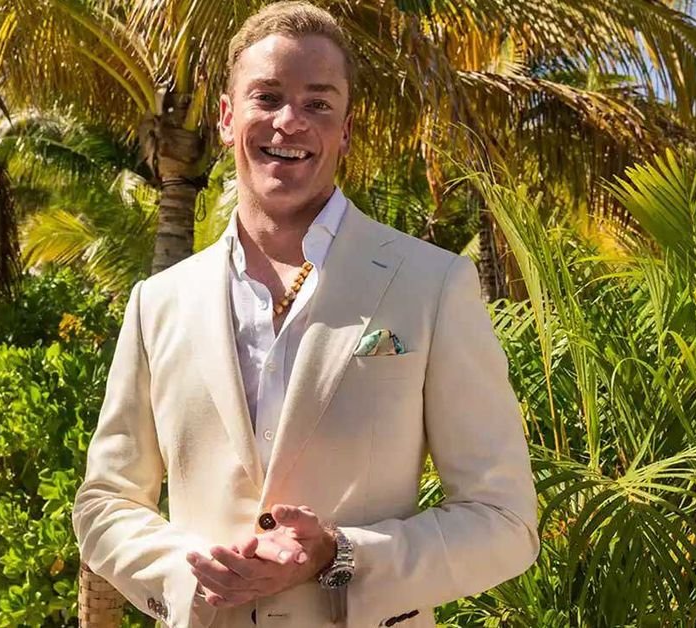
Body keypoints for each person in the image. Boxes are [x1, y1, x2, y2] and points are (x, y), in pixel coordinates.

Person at [72, 2, 539, 626]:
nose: (289, 122)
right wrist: (191, 575)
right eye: (267, 97)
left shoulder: (432, 285)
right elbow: (105, 503)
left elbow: (504, 519)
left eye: (318, 103)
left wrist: (341, 556)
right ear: (226, 117)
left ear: (345, 130)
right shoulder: (158, 302)